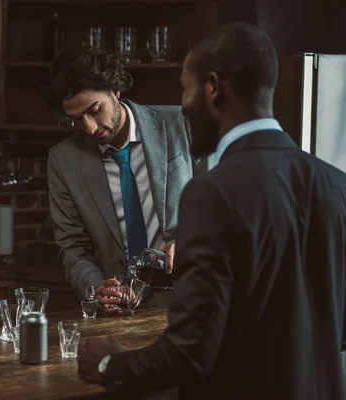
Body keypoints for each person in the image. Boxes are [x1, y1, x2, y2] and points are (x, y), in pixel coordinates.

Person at [77, 22, 346, 399]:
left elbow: (192, 352)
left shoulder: (212, 193)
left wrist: (109, 365)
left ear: (214, 88)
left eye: (186, 89)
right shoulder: (335, 183)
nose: (183, 107)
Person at [44, 46, 206, 311]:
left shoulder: (183, 124)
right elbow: (72, 245)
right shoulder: (63, 160)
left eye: (95, 110)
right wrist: (94, 287)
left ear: (115, 91)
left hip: (192, 298)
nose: (90, 128)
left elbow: (223, 206)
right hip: (121, 311)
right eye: (76, 120)